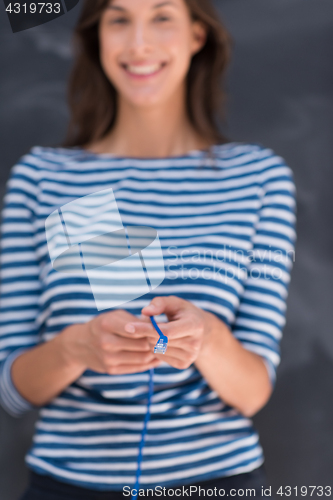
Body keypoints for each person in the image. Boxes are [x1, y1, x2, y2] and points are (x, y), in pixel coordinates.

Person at [0, 0, 296, 499]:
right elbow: (10, 389)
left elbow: (253, 391)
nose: (139, 43)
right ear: (97, 37)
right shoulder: (45, 177)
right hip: (65, 484)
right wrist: (77, 346)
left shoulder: (258, 178)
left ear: (197, 35)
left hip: (218, 481)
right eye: (119, 19)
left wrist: (210, 338)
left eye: (161, 16)